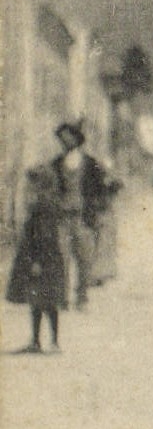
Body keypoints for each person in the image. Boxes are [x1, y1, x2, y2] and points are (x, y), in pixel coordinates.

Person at [5, 165, 68, 353]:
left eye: (33, 183)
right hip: (46, 259)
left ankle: (49, 342)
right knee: (39, 302)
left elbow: (44, 237)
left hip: (43, 260)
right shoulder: (45, 203)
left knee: (45, 301)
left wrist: (37, 261)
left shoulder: (44, 205)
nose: (30, 187)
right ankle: (39, 341)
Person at [51, 120, 110, 309]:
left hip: (84, 217)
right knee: (61, 257)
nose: (65, 142)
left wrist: (98, 207)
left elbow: (101, 189)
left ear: (77, 139)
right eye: (62, 139)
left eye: (68, 138)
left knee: (84, 258)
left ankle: (82, 296)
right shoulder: (56, 164)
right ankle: (62, 297)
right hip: (62, 218)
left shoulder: (90, 164)